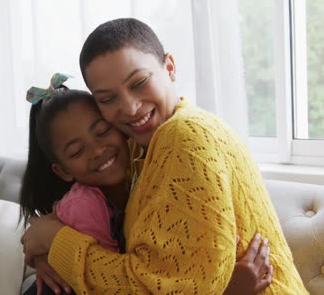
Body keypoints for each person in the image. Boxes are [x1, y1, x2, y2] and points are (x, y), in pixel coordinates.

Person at [21, 18, 308, 294]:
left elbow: (159, 288)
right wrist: (45, 248)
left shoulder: (185, 135)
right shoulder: (138, 145)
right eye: (108, 99)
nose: (131, 108)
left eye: (138, 82)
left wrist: (57, 242)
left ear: (169, 67)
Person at [20, 73, 273, 295]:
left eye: (102, 132)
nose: (97, 150)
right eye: (76, 152)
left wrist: (47, 243)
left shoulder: (147, 168)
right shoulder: (84, 205)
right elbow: (109, 284)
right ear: (63, 170)